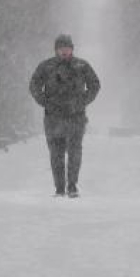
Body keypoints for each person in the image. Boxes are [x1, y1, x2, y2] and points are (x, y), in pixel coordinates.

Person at [28, 34, 100, 197]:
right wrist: (46, 102)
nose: (65, 52)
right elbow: (34, 85)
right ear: (56, 50)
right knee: (56, 153)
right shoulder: (46, 67)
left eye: (67, 49)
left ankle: (72, 185)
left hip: (76, 117)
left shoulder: (82, 66)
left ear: (72, 49)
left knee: (75, 152)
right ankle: (59, 188)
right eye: (61, 49)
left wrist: (82, 102)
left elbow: (95, 85)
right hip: (53, 118)